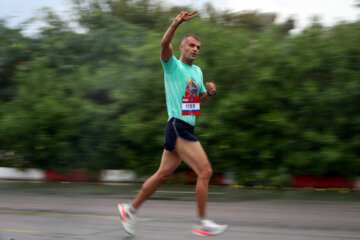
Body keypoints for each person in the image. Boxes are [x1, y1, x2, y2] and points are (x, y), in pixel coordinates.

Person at [118, 11, 228, 237]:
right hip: (177, 125)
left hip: (186, 126)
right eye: (191, 45)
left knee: (162, 176)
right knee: (205, 171)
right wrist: (177, 23)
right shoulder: (172, 66)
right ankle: (201, 222)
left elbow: (198, 103)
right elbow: (164, 42)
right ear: (181, 47)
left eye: (198, 46)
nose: (195, 49)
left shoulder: (197, 71)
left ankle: (130, 209)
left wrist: (209, 94)